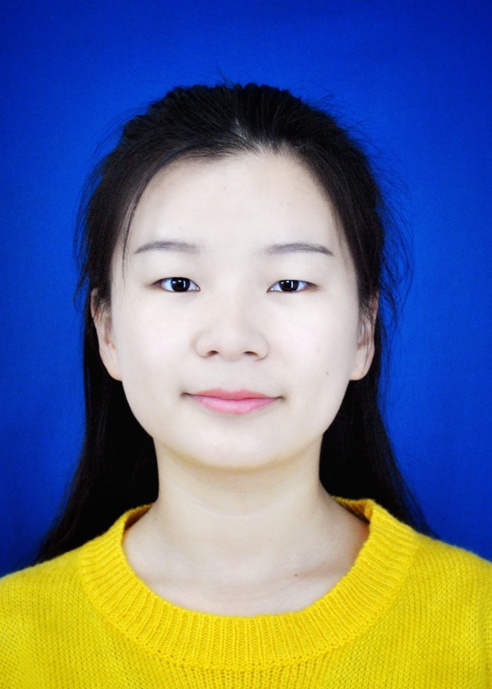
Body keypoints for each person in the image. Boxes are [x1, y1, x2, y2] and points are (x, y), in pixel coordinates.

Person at [0, 83, 490, 687]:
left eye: (289, 284)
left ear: (364, 332)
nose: (232, 339)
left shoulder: (479, 627)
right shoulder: (13, 641)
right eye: (178, 283)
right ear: (107, 331)